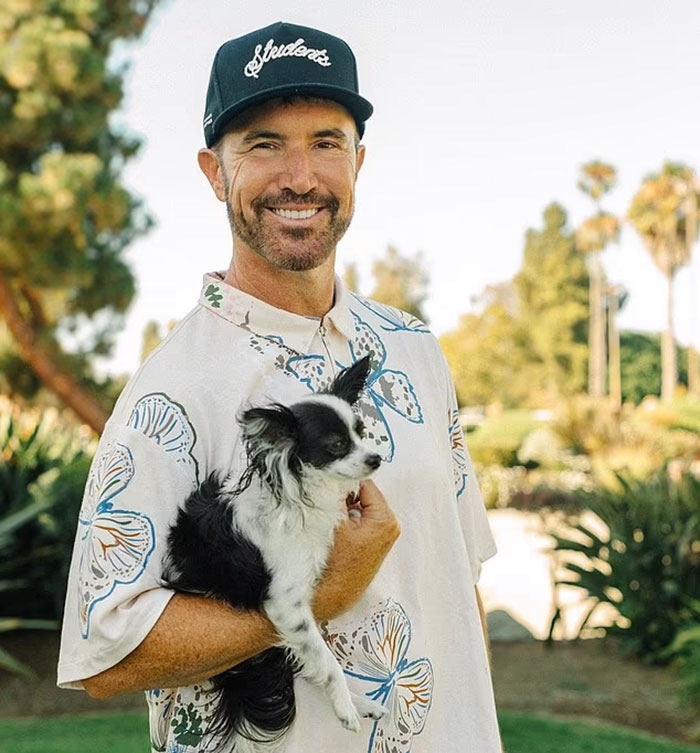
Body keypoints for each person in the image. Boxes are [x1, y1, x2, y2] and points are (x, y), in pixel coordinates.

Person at [57, 21, 503, 753]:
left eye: (326, 142)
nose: (301, 175)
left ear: (359, 161)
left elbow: (459, 583)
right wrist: (308, 600)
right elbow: (104, 649)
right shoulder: (169, 390)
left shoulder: (415, 350)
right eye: (264, 143)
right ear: (213, 171)